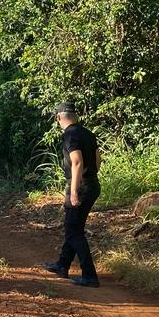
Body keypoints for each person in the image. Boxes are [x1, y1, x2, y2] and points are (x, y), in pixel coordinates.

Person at [42, 103, 101, 287]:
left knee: (74, 231)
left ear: (58, 117)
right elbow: (98, 159)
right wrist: (89, 177)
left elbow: (76, 162)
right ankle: (62, 265)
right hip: (92, 185)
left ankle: (90, 276)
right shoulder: (88, 133)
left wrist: (74, 191)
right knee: (73, 227)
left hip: (80, 187)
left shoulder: (69, 134)